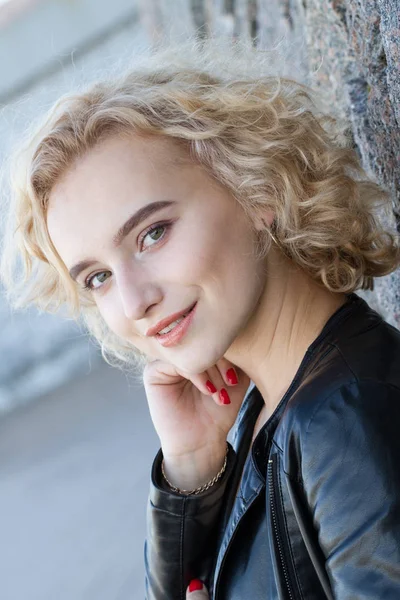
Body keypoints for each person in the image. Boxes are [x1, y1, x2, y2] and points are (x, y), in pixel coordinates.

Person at [2, 38, 400, 600]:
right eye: (98, 277)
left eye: (153, 233)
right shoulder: (261, 413)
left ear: (255, 186)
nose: (134, 300)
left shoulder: (347, 420)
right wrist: (190, 471)